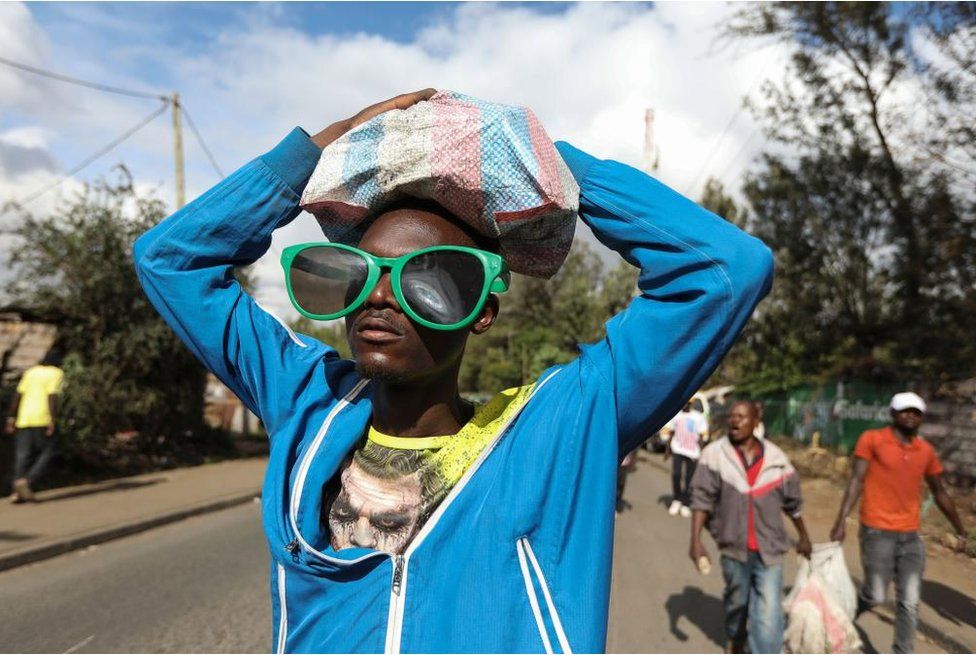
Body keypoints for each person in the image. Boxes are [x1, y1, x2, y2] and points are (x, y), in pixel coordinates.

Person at [134, 90, 774, 653]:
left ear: (483, 310)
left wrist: (546, 165)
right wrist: (309, 155)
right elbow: (169, 260)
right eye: (357, 275)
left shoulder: (558, 428)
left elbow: (724, 271)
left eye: (430, 279)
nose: (379, 298)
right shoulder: (306, 402)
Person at [829, 391, 968, 654]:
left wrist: (960, 531)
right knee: (876, 595)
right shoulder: (872, 440)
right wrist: (841, 521)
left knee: (909, 601)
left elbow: (940, 492)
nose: (911, 416)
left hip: (910, 536)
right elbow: (857, 480)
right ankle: (842, 618)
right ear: (892, 413)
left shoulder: (925, 451)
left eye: (916, 412)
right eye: (905, 410)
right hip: (876, 531)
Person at [689, 400, 812, 654]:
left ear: (756, 422)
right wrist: (696, 541)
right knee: (737, 603)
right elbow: (701, 499)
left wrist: (804, 537)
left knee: (768, 616)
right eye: (732, 416)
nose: (735, 421)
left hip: (770, 550)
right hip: (733, 548)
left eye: (742, 417)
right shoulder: (714, 455)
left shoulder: (777, 459)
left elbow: (793, 504)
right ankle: (735, 635)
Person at [4, 347, 65, 503]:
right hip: (42, 417)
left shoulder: (31, 372)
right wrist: (52, 420)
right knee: (49, 450)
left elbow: (18, 394)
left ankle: (16, 492)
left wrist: (11, 417)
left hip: (24, 418)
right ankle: (27, 481)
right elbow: (51, 397)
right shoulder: (56, 373)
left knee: (22, 455)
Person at [664, 400, 708, 517]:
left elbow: (703, 435)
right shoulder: (676, 415)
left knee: (689, 478)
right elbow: (670, 432)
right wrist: (667, 450)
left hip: (692, 452)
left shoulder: (697, 417)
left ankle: (685, 503)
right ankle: (677, 499)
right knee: (676, 474)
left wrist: (701, 452)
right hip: (678, 449)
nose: (684, 405)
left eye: (686, 403)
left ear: (690, 404)